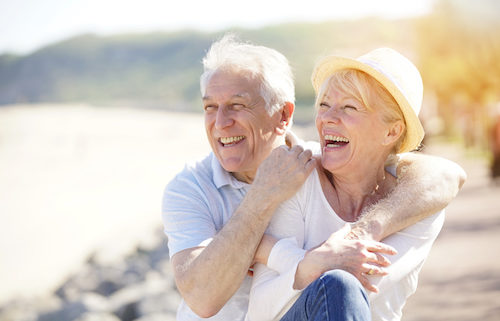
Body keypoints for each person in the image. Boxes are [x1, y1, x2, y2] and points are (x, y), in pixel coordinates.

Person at [162, 35, 466, 321]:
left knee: (340, 286)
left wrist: (363, 231)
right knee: (339, 285)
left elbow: (446, 173)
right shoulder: (190, 188)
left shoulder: (309, 170)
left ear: (283, 116)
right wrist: (263, 199)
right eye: (209, 108)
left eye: (237, 106)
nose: (220, 123)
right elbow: (202, 298)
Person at [246, 48, 458, 321]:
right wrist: (307, 263)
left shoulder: (418, 206)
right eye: (324, 105)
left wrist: (275, 252)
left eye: (349, 107)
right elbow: (260, 312)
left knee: (341, 286)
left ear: (391, 131)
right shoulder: (300, 178)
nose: (327, 118)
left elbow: (359, 290)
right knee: (338, 284)